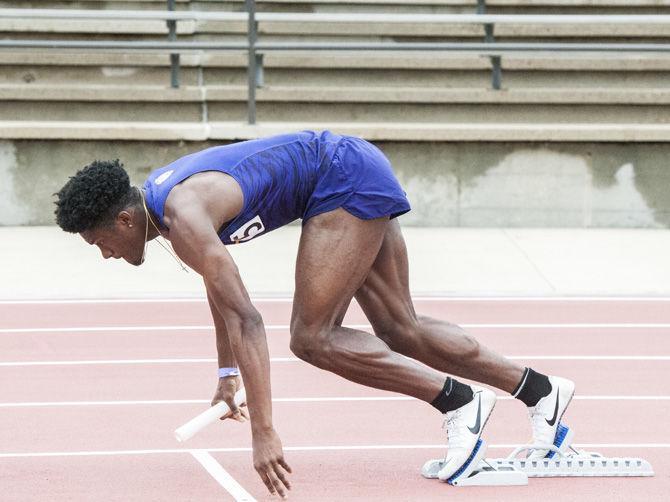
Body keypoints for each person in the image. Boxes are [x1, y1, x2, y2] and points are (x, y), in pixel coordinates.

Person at [54, 131, 575, 498]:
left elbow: (248, 319)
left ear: (124, 220)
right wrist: (226, 374)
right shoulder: (162, 208)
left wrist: (264, 430)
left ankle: (460, 403)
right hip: (350, 165)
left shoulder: (180, 216)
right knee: (401, 329)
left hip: (340, 177)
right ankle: (541, 392)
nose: (106, 254)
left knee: (312, 338)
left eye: (101, 242)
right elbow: (222, 295)